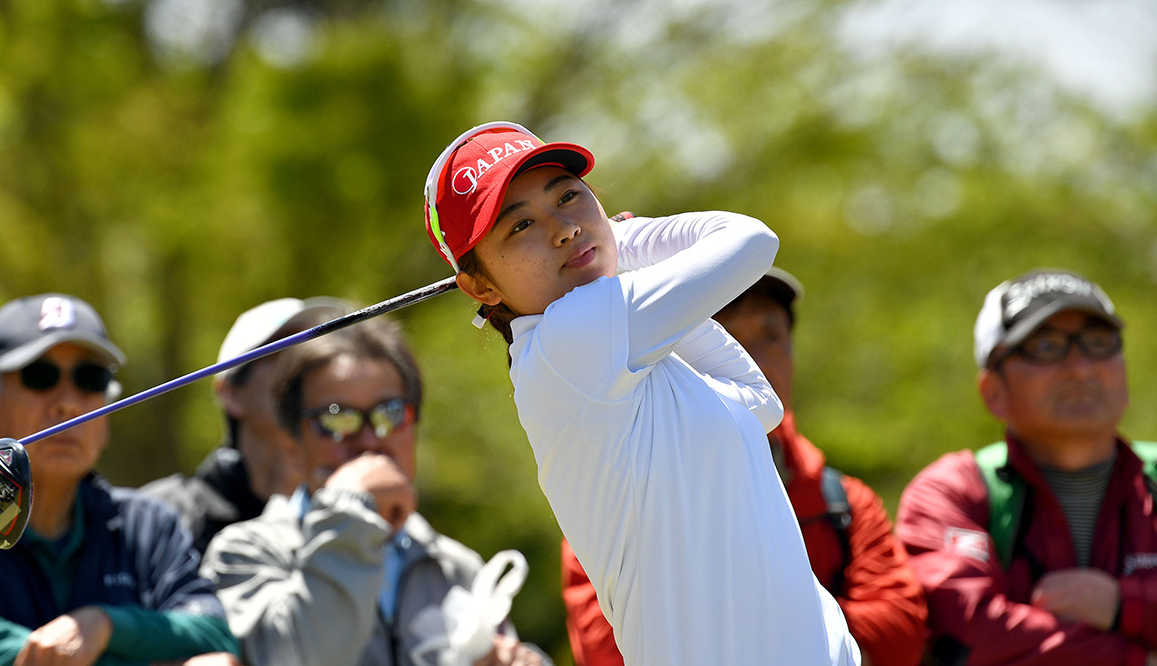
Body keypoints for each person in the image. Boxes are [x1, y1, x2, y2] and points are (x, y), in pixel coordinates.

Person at [423, 121, 858, 665]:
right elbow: (751, 241)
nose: (562, 228)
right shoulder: (568, 342)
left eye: (569, 198)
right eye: (522, 225)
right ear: (482, 287)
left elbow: (759, 403)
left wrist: (611, 252)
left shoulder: (619, 346)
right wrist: (627, 241)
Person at [560, 266, 930, 666]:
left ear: (791, 356)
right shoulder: (619, 496)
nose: (752, 356)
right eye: (725, 336)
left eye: (770, 336)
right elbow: (604, 650)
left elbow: (901, 634)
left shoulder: (846, 502)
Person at [201, 319, 546, 666]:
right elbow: (297, 656)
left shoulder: (455, 567)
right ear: (292, 445)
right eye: (336, 418)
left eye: (390, 414)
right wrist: (350, 508)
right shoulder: (243, 554)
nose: (368, 439)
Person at [896, 268, 1157, 665]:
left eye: (1099, 342)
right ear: (993, 390)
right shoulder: (952, 492)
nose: (1082, 368)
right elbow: (968, 640)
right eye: (1048, 346)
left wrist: (1124, 604)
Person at [0, 293, 240, 665]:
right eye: (39, 375)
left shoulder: (148, 523)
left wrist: (106, 626)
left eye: (89, 378)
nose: (68, 403)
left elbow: (213, 632)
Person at [143, 297, 348, 555]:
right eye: (283, 355)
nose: (306, 371)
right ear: (231, 394)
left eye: (316, 357)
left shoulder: (351, 513)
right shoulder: (163, 515)